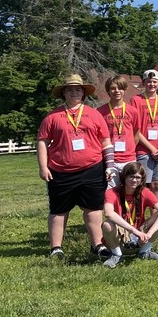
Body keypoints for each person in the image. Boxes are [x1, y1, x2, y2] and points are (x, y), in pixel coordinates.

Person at [37, 74, 118, 259]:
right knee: (59, 210)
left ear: (83, 93)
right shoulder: (52, 117)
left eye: (78, 89)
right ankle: (56, 248)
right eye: (70, 89)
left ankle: (97, 245)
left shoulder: (94, 114)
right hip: (60, 171)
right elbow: (42, 142)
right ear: (63, 93)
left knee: (94, 208)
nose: (74, 92)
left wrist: (110, 165)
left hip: (92, 169)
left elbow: (106, 141)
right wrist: (43, 167)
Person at [101, 161, 158, 267]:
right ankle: (116, 255)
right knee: (107, 225)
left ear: (142, 179)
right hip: (121, 236)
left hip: (141, 237)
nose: (134, 180)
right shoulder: (112, 192)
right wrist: (134, 231)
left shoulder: (144, 191)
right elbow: (108, 213)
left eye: (138, 177)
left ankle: (144, 251)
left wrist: (149, 233)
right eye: (131, 177)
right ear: (124, 177)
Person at [129, 69, 158, 198]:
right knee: (142, 184)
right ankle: (141, 215)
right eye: (148, 82)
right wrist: (152, 148)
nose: (152, 84)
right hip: (144, 149)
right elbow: (135, 128)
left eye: (155, 82)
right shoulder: (136, 100)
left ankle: (156, 215)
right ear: (143, 83)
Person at [96, 74, 139, 185]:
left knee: (129, 190)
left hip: (129, 158)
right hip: (110, 159)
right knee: (111, 192)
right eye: (113, 88)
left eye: (120, 88)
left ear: (125, 90)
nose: (117, 91)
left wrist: (130, 148)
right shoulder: (100, 112)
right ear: (108, 91)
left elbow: (136, 133)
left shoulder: (133, 111)